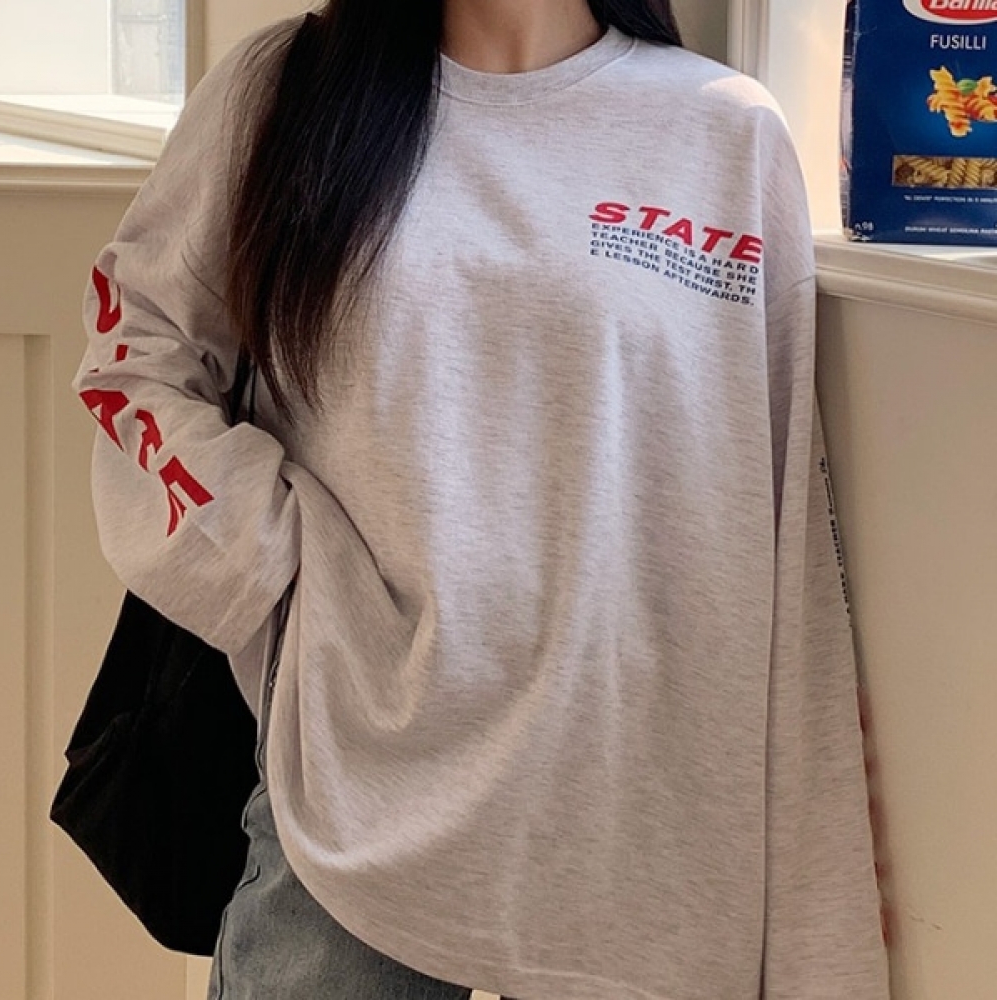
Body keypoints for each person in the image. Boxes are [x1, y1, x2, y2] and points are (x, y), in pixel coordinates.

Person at [73, 1, 891, 997]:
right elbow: (135, 353)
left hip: (647, 848)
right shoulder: (284, 91)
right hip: (356, 820)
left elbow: (781, 531)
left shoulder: (725, 131)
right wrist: (271, 565)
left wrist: (819, 929)